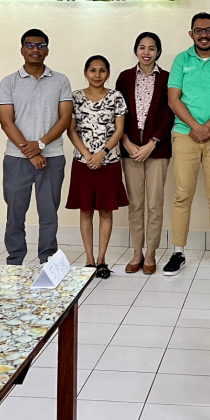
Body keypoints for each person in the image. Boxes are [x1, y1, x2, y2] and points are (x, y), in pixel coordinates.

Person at [165, 12, 210, 277]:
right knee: (182, 195)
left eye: (208, 30)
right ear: (191, 34)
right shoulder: (181, 60)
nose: (204, 35)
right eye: (198, 31)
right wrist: (195, 127)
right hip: (184, 135)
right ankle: (178, 252)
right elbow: (174, 99)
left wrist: (207, 127)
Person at [0, 29, 73, 265]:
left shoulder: (60, 80)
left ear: (47, 50)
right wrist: (29, 152)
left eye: (40, 45)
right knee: (15, 213)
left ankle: (48, 261)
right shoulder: (8, 82)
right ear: (22, 50)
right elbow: (6, 121)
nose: (35, 50)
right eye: (29, 45)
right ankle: (14, 261)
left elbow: (64, 119)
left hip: (52, 156)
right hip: (16, 158)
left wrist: (40, 145)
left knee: (49, 213)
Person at [116, 33, 175, 275]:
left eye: (152, 48)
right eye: (142, 47)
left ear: (158, 52)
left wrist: (152, 142)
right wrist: (126, 142)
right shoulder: (125, 77)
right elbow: (118, 112)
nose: (146, 52)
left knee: (154, 204)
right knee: (136, 203)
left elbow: (169, 114)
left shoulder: (168, 78)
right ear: (136, 50)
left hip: (157, 149)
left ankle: (151, 252)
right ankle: (136, 252)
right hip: (130, 148)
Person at [66, 56, 129, 280]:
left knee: (105, 210)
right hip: (83, 162)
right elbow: (71, 130)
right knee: (85, 210)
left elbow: (119, 130)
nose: (97, 75)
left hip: (109, 161)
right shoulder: (75, 97)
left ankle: (102, 259)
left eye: (102, 71)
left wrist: (102, 153)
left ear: (108, 74)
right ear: (85, 72)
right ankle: (89, 260)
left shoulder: (116, 97)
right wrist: (87, 155)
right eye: (93, 70)